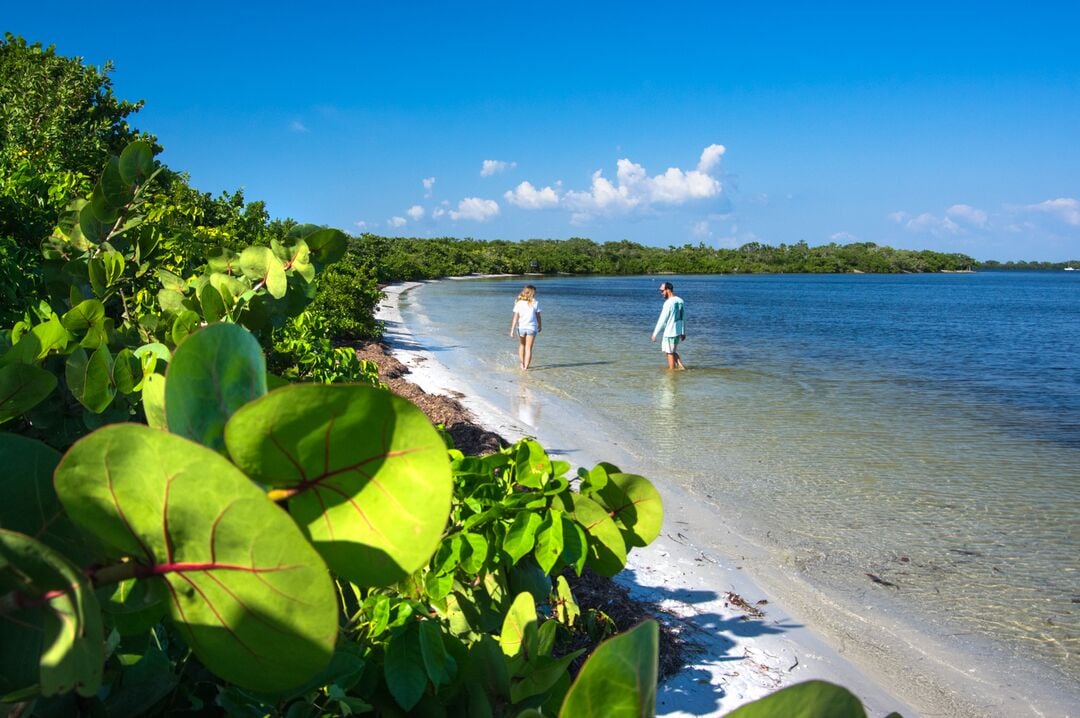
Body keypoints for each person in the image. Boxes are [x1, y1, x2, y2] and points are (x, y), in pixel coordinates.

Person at [651, 281, 686, 369]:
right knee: (673, 351)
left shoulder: (668, 303)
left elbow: (662, 320)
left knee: (669, 353)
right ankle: (681, 367)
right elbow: (683, 317)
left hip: (670, 332)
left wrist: (655, 334)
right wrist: (683, 332)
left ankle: (671, 372)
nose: (661, 293)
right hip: (677, 332)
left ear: (668, 290)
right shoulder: (680, 300)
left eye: (662, 291)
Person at [509, 284, 542, 369]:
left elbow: (515, 318)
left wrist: (512, 330)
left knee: (521, 345)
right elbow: (538, 316)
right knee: (528, 348)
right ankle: (526, 368)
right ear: (532, 293)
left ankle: (521, 364)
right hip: (532, 328)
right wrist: (540, 325)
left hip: (521, 328)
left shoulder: (519, 303)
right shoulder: (536, 303)